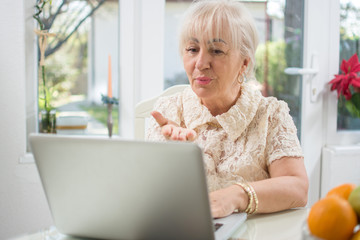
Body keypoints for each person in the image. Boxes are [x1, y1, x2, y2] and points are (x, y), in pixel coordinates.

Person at [146, 0, 309, 218]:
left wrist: (238, 195)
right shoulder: (168, 111)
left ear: (244, 63)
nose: (201, 63)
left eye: (216, 50)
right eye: (192, 49)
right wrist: (175, 156)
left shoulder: (271, 114)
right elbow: (152, 197)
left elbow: (297, 188)